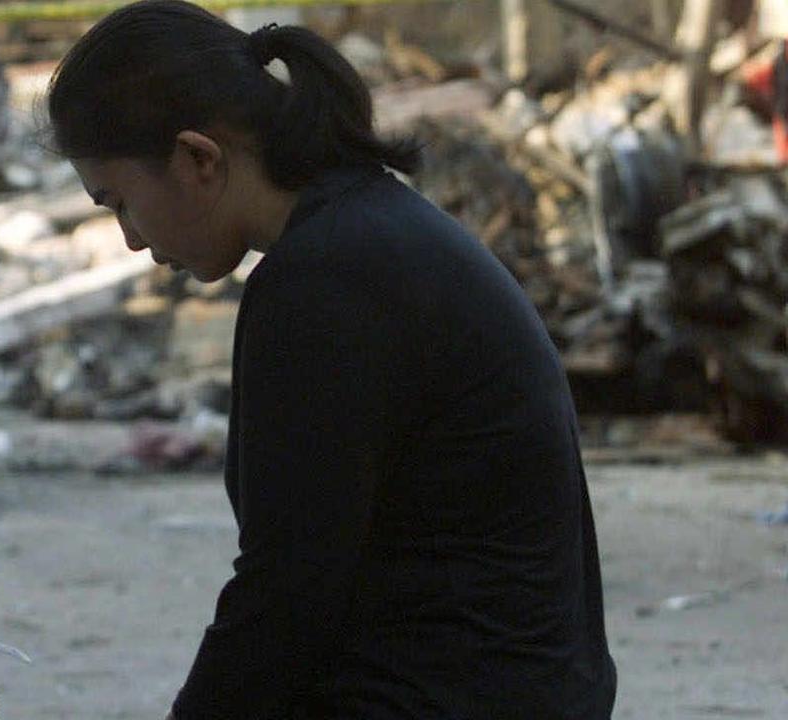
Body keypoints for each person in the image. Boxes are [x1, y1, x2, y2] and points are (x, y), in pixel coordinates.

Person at [46, 2, 617, 718]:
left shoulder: (325, 281)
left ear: (199, 157)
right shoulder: (369, 230)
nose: (131, 239)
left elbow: (286, 595)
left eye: (119, 203)